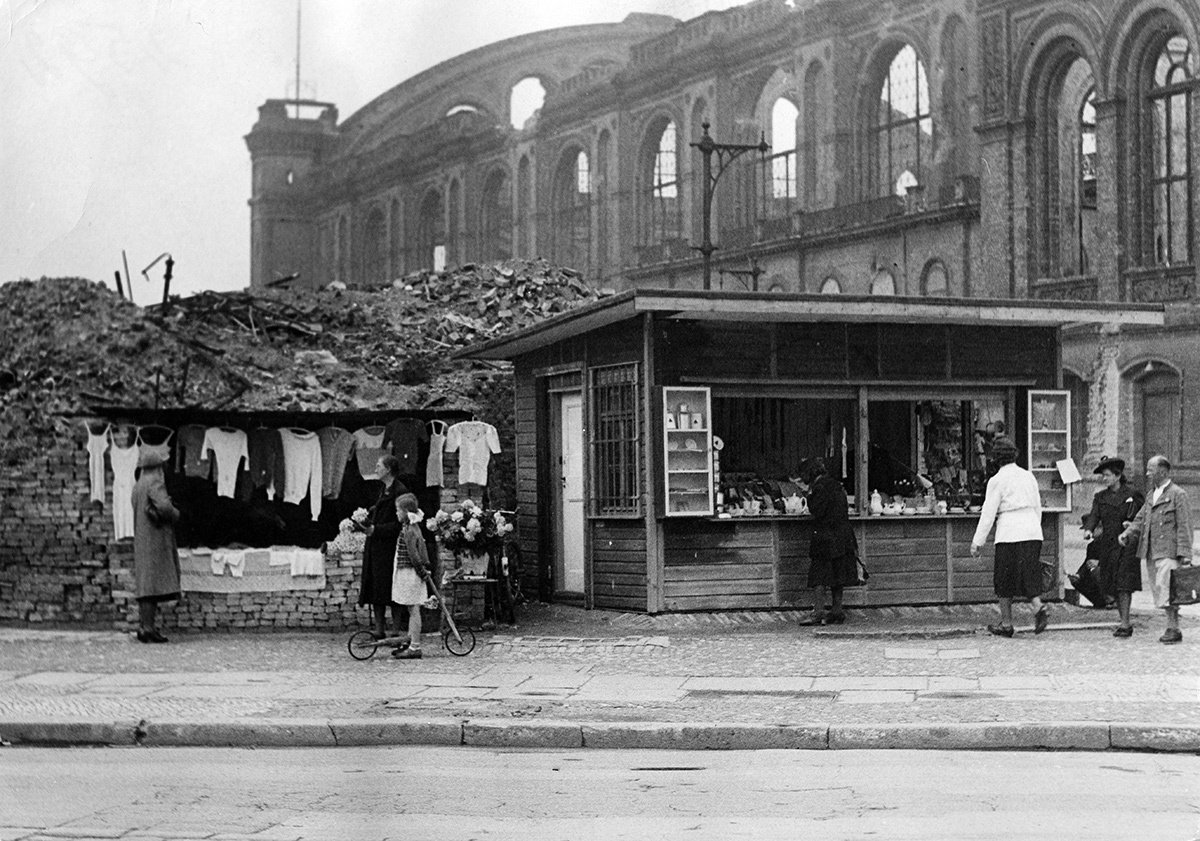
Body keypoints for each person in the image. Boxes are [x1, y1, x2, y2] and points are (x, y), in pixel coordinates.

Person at [970, 437, 1051, 637]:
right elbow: (1037, 505)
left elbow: (988, 513)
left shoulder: (996, 480)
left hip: (1009, 531)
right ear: (1014, 454)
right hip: (1031, 529)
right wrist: (1034, 528)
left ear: (995, 458)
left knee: (1004, 578)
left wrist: (977, 542)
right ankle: (1038, 606)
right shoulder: (1028, 476)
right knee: (1029, 573)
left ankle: (1006, 624)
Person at [1119, 455, 1193, 645]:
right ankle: (1173, 626)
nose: (1147, 473)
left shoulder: (1178, 494)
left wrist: (1184, 554)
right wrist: (1128, 533)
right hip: (1151, 551)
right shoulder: (1152, 494)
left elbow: (1184, 526)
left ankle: (1173, 628)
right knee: (1160, 590)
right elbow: (1140, 518)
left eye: (1151, 470)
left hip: (1169, 550)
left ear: (1163, 471)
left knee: (1168, 590)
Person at [1081, 456, 1144, 634]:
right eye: (1103, 476)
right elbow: (1094, 515)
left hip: (1126, 544)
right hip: (1108, 545)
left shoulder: (1132, 494)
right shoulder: (1100, 497)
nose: (1104, 479)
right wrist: (1088, 529)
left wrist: (1129, 526)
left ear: (1117, 476)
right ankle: (1124, 620)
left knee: (1124, 583)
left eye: (1107, 475)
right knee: (1112, 584)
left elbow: (1140, 516)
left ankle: (1125, 624)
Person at [797, 457, 860, 626]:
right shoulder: (835, 485)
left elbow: (817, 510)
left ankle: (818, 613)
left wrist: (807, 495)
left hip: (826, 537)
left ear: (809, 473)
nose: (802, 478)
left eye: (802, 474)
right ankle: (836, 612)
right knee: (838, 574)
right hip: (843, 535)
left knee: (818, 575)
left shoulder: (819, 488)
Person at [131, 450, 181, 643]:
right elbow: (164, 507)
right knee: (151, 585)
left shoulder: (138, 485)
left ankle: (145, 627)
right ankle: (149, 628)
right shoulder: (154, 482)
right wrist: (175, 513)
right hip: (155, 539)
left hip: (143, 540)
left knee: (146, 585)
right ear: (157, 466)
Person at [357, 455, 409, 640]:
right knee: (377, 588)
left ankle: (395, 630)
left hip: (390, 548)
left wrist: (376, 529)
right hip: (377, 547)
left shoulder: (399, 491)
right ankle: (379, 628)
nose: (376, 468)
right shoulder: (383, 490)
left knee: (392, 587)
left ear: (388, 469)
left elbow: (399, 523)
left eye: (379, 466)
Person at [390, 493, 432, 660]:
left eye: (398, 510)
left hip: (410, 574)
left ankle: (415, 646)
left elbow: (414, 555)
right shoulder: (413, 528)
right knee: (411, 608)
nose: (396, 514)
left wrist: (422, 571)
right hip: (409, 572)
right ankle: (410, 639)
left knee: (414, 609)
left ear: (406, 512)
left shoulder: (409, 530)